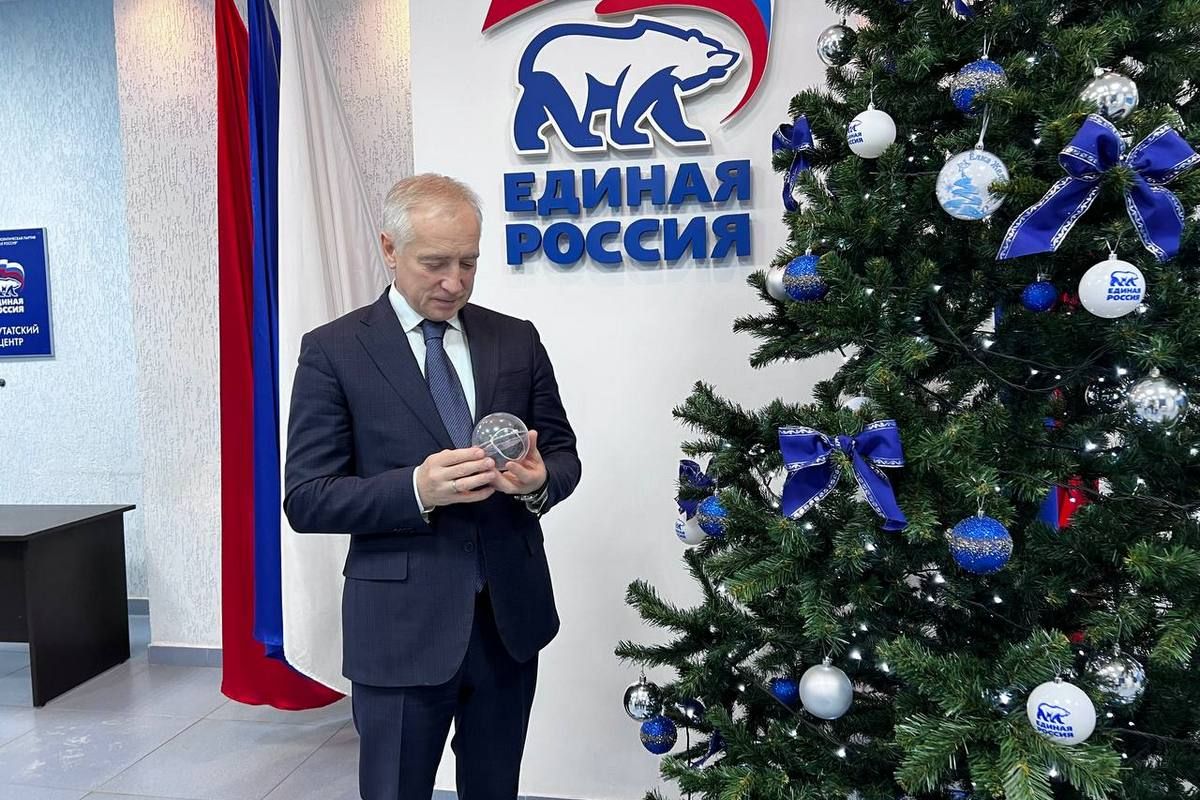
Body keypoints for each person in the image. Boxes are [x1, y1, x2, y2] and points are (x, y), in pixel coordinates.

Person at [283, 174, 581, 800]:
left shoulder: (516, 339)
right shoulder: (333, 351)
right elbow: (307, 498)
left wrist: (538, 483)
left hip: (509, 623)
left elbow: (562, 455)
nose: (455, 283)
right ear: (390, 249)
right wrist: (416, 489)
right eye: (436, 263)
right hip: (399, 630)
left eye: (468, 263)